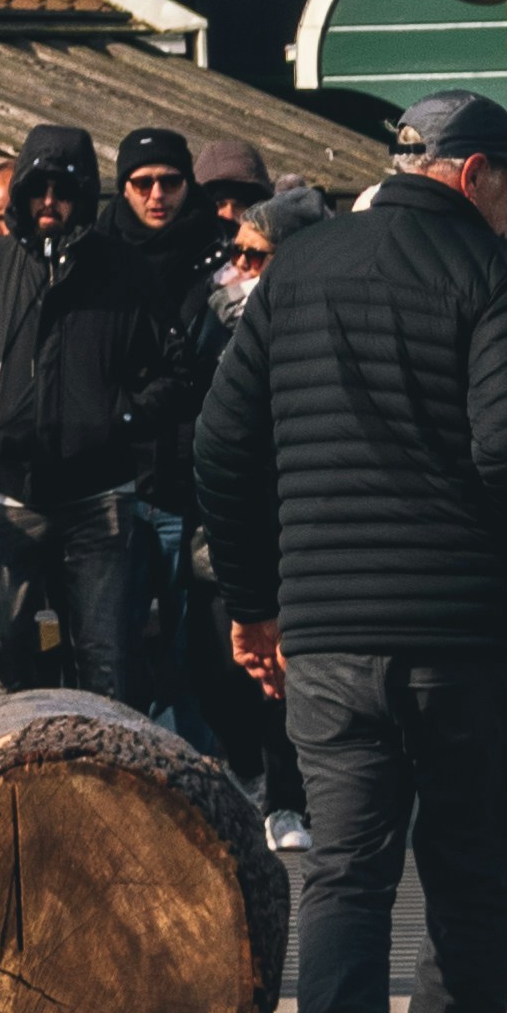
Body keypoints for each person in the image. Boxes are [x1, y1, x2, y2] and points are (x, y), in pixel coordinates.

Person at [189, 85, 507, 1013]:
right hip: (461, 642)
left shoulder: (297, 270)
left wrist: (253, 607)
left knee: (346, 869)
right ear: (470, 174)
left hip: (331, 640)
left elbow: (219, 448)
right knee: (462, 875)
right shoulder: (498, 282)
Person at [0, 120, 203, 704]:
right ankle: (6, 779)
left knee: (107, 659)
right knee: (3, 655)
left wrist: (120, 419)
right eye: (38, 188)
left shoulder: (125, 273)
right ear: (21, 192)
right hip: (6, 494)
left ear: (84, 196)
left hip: (101, 498)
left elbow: (178, 373)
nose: (50, 202)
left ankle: (107, 789)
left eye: (64, 189)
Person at [176, 180, 326, 842]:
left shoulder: (321, 326)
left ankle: (286, 799)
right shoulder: (214, 315)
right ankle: (249, 772)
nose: (239, 269)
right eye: (238, 253)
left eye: (256, 256)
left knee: (283, 675)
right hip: (225, 528)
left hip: (297, 523)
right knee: (215, 670)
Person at [114, 125, 216, 701]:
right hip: (119, 479)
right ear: (123, 187)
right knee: (117, 641)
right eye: (142, 182)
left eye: (171, 181)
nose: (157, 195)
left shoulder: (217, 257)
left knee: (191, 648)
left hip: (191, 480)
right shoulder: (102, 256)